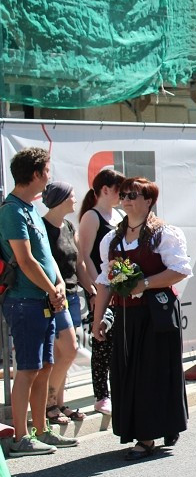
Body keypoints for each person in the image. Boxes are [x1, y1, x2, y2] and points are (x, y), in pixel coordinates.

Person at [91, 177, 191, 458]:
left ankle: (150, 436)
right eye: (124, 194)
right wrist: (98, 319)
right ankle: (150, 428)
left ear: (148, 201)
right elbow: (105, 281)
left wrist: (144, 283)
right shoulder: (112, 238)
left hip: (157, 314)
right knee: (128, 373)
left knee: (155, 372)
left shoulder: (164, 234)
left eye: (134, 194)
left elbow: (180, 270)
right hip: (126, 316)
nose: (127, 199)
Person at [0, 148, 79, 456]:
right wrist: (51, 290)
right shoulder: (12, 211)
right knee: (28, 369)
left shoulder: (31, 209)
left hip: (44, 299)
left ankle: (41, 430)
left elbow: (46, 257)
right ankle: (20, 438)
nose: (49, 176)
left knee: (45, 366)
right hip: (25, 301)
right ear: (34, 174)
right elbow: (25, 258)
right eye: (46, 170)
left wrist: (58, 284)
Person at [42, 182, 94, 425]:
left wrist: (91, 290)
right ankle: (49, 403)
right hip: (53, 298)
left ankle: (58, 403)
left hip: (73, 296)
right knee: (68, 350)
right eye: (72, 196)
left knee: (64, 353)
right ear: (61, 199)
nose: (76, 200)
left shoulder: (69, 226)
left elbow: (80, 263)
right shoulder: (42, 228)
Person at [78, 168, 125, 416]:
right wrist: (95, 288)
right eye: (118, 189)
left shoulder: (117, 214)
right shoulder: (91, 216)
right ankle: (101, 395)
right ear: (105, 189)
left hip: (117, 286)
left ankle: (115, 391)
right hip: (100, 287)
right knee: (102, 340)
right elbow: (84, 256)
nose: (122, 194)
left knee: (116, 339)